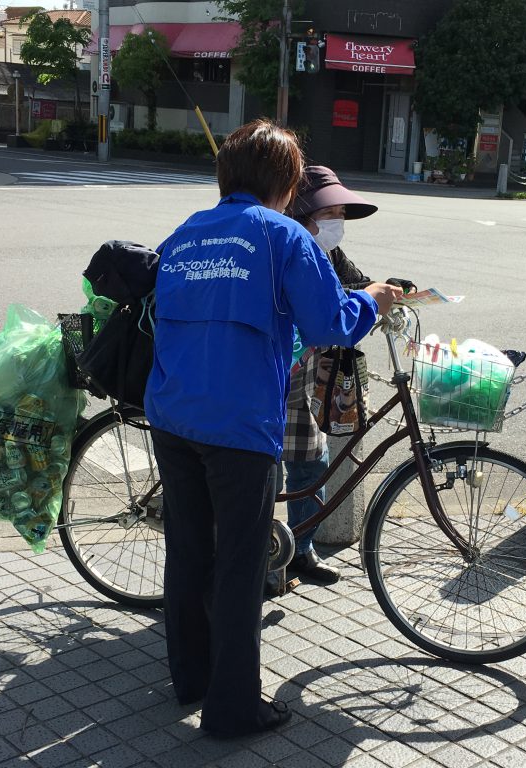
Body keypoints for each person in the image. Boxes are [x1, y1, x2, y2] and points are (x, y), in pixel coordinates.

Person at [145, 120, 402, 738]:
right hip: (237, 425)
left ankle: (191, 678)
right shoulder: (283, 234)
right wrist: (375, 298)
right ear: (287, 182)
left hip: (172, 413)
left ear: (225, 176)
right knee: (238, 566)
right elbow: (330, 324)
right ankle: (233, 709)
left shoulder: (186, 233)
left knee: (187, 550)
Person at [267, 166, 378, 595]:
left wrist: (385, 291)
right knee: (266, 475)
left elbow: (357, 283)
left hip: (305, 375)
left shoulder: (325, 252)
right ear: (302, 212)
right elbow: (323, 317)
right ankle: (266, 560)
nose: (337, 222)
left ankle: (301, 548)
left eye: (340, 213)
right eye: (328, 211)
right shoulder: (283, 245)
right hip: (271, 372)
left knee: (311, 463)